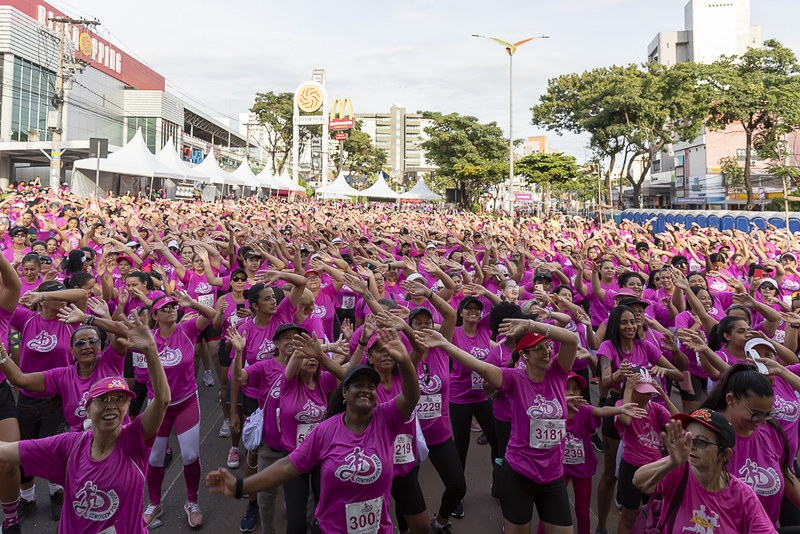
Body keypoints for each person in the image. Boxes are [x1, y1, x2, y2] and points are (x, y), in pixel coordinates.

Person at [206, 328, 420, 534]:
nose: (366, 390)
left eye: (371, 387)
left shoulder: (386, 419)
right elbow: (287, 465)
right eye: (359, 385)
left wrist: (404, 360)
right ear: (344, 392)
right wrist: (240, 486)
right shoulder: (325, 431)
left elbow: (411, 396)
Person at [0, 314, 171, 533]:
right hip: (79, 455)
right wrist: (2, 353)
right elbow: (20, 381)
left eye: (119, 399)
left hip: (118, 454)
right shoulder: (67, 445)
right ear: (88, 409)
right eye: (102, 399)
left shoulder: (134, 441)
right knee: (77, 502)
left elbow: (162, 400)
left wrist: (149, 351)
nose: (111, 405)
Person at [415, 318, 578, 534]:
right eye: (537, 348)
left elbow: (571, 340)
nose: (546, 351)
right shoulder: (513, 378)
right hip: (520, 473)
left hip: (553, 475)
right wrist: (445, 344)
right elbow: (478, 365)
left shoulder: (558, 373)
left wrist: (532, 325)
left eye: (546, 346)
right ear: (524, 356)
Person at [141, 291, 217, 529]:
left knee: (190, 455)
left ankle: (192, 502)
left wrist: (191, 303)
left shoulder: (188, 330)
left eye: (173, 306)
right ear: (155, 315)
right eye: (165, 308)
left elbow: (213, 315)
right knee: (154, 457)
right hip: (157, 407)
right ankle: (155, 503)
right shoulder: (148, 337)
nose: (171, 309)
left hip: (185, 402)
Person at [633, 408, 776, 533]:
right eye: (687, 438)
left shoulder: (743, 496)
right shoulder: (679, 468)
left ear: (725, 454)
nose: (690, 447)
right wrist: (671, 463)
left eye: (701, 441)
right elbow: (639, 481)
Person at [703, 363, 800, 527]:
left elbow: (785, 473)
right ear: (731, 400)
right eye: (756, 414)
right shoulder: (705, 435)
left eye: (767, 414)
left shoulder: (770, 432)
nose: (762, 421)